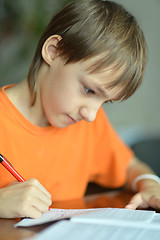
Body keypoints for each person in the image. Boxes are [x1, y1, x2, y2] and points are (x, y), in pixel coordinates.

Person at [0, 0, 160, 219]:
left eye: (106, 102)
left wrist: (150, 183)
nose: (91, 115)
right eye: (89, 90)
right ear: (53, 51)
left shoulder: (86, 126)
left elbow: (130, 167)